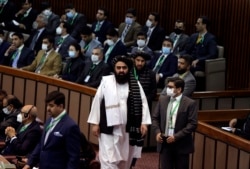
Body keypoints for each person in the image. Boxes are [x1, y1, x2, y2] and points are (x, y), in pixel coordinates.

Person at [88, 55, 151, 169]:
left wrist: (144, 123)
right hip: (108, 128)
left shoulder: (135, 84)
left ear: (128, 69)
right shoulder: (106, 82)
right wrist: (95, 123)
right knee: (108, 160)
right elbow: (97, 102)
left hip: (128, 129)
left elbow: (143, 104)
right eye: (118, 68)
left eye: (124, 68)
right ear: (114, 69)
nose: (121, 70)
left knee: (124, 160)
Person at [23, 91, 81, 169]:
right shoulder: (49, 120)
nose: (48, 109)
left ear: (60, 106)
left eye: (51, 106)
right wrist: (29, 163)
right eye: (47, 105)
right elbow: (41, 144)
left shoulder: (70, 126)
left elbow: (73, 157)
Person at [152, 77, 198, 169]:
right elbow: (155, 118)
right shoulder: (163, 100)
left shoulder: (190, 103)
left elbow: (192, 124)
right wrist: (157, 132)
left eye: (170, 87)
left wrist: (176, 136)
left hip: (181, 144)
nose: (168, 89)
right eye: (167, 86)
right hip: (165, 143)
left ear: (179, 89)